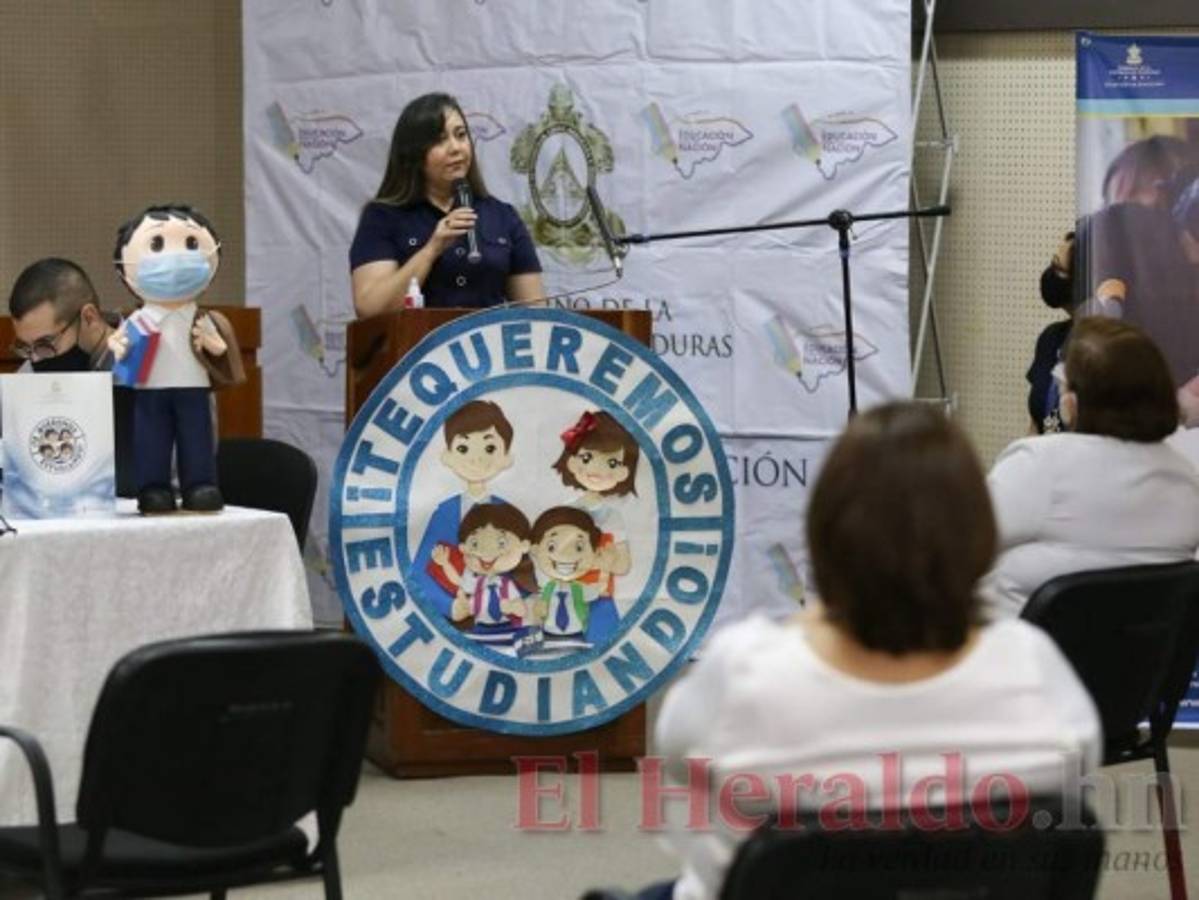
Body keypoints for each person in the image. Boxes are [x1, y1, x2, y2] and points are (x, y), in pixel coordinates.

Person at [652, 402, 1101, 900]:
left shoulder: (746, 671)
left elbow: (677, 765)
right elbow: (1076, 777)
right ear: (977, 533)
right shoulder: (1035, 667)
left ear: (823, 531)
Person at [987, 317, 1199, 616]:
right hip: (1137, 646)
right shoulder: (1185, 481)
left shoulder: (1039, 464)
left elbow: (956, 542)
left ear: (1070, 405)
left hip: (1016, 642)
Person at [349, 92, 544, 317]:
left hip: (487, 340)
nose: (455, 148)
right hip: (417, 340)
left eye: (461, 135)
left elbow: (535, 314)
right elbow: (370, 309)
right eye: (440, 140)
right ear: (413, 154)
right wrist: (432, 249)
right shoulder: (382, 217)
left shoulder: (503, 216)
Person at [110, 204, 245, 514]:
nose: (175, 258)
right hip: (149, 388)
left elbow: (219, 350)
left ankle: (199, 485)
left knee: (197, 438)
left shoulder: (200, 317)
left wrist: (212, 342)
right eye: (156, 244)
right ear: (123, 267)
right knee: (151, 439)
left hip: (193, 386)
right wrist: (118, 346)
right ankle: (153, 488)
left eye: (191, 243)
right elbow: (120, 347)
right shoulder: (138, 319)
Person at [7, 257, 136, 496]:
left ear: (89, 317)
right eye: (26, 347)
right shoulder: (32, 368)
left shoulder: (145, 359)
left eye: (45, 344)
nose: (35, 359)